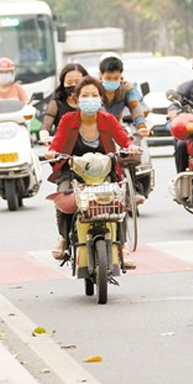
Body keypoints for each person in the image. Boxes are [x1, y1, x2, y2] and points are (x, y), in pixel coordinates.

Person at [44, 76, 141, 261]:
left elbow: (123, 139)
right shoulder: (67, 119)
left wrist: (131, 146)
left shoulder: (108, 119)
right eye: (85, 95)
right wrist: (52, 152)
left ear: (101, 99)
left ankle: (121, 246)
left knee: (118, 201)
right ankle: (63, 238)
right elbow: (57, 142)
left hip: (105, 171)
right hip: (73, 170)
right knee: (64, 196)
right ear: (76, 99)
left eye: (94, 95)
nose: (90, 99)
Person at [98, 56, 149, 137]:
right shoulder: (94, 89)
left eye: (115, 78)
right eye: (108, 78)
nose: (112, 81)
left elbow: (135, 107)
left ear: (121, 76)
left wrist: (141, 126)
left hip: (117, 132)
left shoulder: (126, 88)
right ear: (100, 75)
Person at [38, 63, 88, 144]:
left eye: (77, 82)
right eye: (69, 82)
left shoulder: (92, 103)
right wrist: (44, 135)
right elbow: (46, 125)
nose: (73, 85)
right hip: (63, 147)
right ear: (63, 83)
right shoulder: (56, 104)